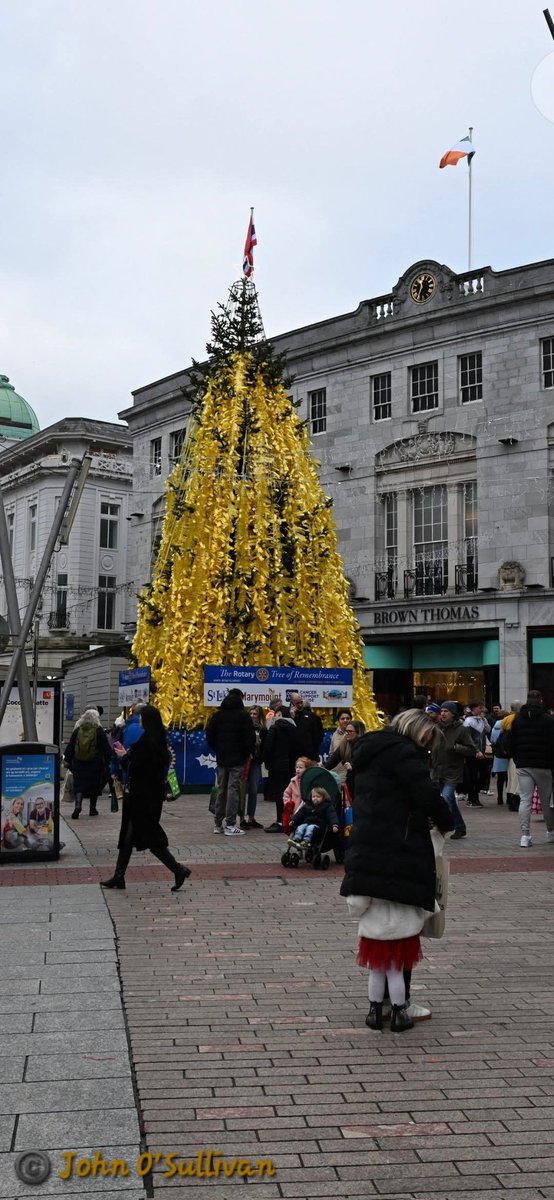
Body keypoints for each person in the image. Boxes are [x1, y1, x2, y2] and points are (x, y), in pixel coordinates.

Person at [340, 709, 453, 1033]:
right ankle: (401, 1005)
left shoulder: (367, 749)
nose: (428, 749)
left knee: (379, 938)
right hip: (401, 846)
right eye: (428, 741)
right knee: (404, 930)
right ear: (418, 732)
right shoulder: (404, 753)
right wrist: (445, 822)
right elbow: (426, 795)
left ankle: (382, 1005)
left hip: (368, 844)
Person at [101, 704, 190, 892]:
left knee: (150, 837)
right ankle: (119, 876)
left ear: (147, 720)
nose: (139, 720)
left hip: (142, 798)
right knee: (129, 836)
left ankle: (178, 869)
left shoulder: (146, 742)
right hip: (148, 797)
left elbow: (135, 768)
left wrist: (124, 757)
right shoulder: (157, 741)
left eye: (141, 717)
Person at [206, 689, 256, 837]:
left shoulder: (217, 715)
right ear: (240, 698)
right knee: (233, 790)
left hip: (222, 758)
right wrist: (244, 754)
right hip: (237, 760)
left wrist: (219, 750)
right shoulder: (243, 716)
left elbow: (209, 737)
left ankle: (217, 824)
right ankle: (230, 824)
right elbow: (250, 739)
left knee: (221, 789)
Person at [508, 690, 554, 848]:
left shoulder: (518, 719)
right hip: (544, 765)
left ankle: (525, 835)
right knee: (546, 801)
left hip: (523, 764)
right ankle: (550, 832)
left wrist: (517, 758)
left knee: (525, 799)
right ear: (540, 701)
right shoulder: (548, 719)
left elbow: (512, 742)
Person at [431, 702, 481, 839]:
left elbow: (471, 749)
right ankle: (460, 827)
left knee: (446, 797)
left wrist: (456, 747)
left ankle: (441, 826)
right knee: (449, 800)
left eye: (446, 711)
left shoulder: (461, 729)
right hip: (437, 769)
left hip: (453, 771)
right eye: (441, 711)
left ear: (453, 714)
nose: (443, 713)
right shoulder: (436, 727)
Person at [64, 708, 111, 819]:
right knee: (94, 785)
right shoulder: (98, 731)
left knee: (79, 785)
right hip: (94, 763)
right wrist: (109, 760)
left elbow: (70, 746)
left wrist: (67, 760)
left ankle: (78, 805)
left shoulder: (78, 730)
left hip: (78, 762)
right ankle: (92, 809)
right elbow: (106, 747)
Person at [263, 704, 302, 831]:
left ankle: (280, 821)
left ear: (279, 715)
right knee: (291, 793)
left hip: (277, 766)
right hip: (291, 766)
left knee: (280, 794)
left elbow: (267, 748)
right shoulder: (295, 729)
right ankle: (291, 819)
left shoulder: (274, 728)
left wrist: (268, 763)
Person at [242, 707, 266, 830]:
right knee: (242, 790)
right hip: (245, 761)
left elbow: (266, 745)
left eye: (255, 714)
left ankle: (251, 817)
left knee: (253, 789)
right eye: (250, 713)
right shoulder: (244, 727)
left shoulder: (262, 729)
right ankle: (241, 818)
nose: (252, 716)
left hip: (256, 761)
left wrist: (261, 756)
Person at [325, 720, 366, 790]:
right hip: (351, 780)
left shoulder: (365, 746)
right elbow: (333, 760)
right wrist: (322, 770)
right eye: (346, 731)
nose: (347, 733)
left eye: (350, 731)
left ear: (359, 733)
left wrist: (352, 767)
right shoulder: (344, 743)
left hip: (363, 781)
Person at [462, 701, 489, 806]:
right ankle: (472, 797)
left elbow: (488, 729)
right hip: (472, 752)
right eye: (479, 708)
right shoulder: (468, 721)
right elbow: (468, 738)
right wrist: (476, 750)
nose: (481, 710)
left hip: (481, 751)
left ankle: (475, 795)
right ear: (473, 709)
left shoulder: (481, 719)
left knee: (483, 774)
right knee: (473, 775)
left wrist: (484, 720)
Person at [499, 702, 521, 811]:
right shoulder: (519, 719)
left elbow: (501, 734)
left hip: (510, 754)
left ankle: (509, 798)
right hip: (519, 753)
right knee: (516, 779)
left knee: (511, 777)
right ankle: (515, 801)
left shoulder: (506, 719)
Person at [289, 693, 324, 761]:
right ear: (292, 704)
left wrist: (313, 753)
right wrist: (292, 718)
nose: (300, 705)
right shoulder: (288, 716)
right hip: (293, 756)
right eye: (297, 703)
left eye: (301, 702)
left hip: (309, 756)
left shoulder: (311, 716)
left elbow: (318, 737)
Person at [490, 710, 510, 805]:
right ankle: (509, 797)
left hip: (498, 756)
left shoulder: (494, 728)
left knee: (500, 778)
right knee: (508, 778)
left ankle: (499, 797)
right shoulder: (507, 728)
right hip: (507, 756)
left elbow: (492, 740)